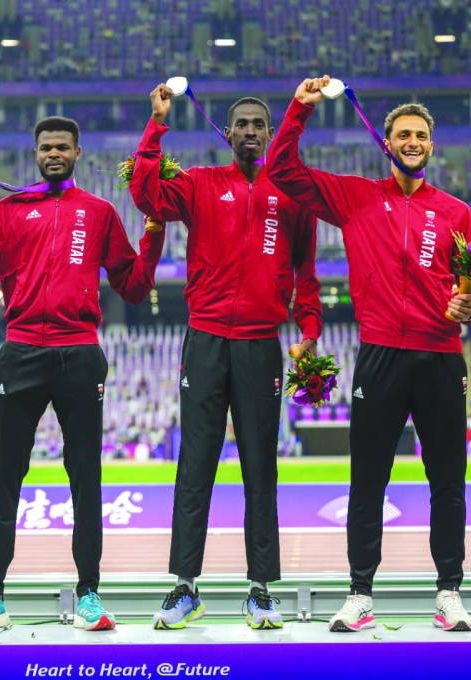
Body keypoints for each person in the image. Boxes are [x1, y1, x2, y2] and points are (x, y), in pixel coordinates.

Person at [267, 76, 471, 632]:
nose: (412, 141)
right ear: (386, 143)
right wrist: (299, 108)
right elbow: (282, 171)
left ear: (430, 146)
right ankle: (360, 593)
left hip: (440, 358)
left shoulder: (457, 213)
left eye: (420, 135)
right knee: (368, 479)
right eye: (402, 134)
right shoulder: (356, 197)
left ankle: (449, 592)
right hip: (381, 357)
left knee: (449, 482)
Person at [0, 116, 165, 632]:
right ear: (36, 153)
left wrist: (154, 232)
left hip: (80, 353)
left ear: (77, 152)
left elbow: (131, 285)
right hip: (20, 353)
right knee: (6, 476)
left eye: (62, 145)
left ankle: (89, 594)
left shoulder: (99, 213)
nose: (53, 152)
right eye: (46, 146)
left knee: (86, 475)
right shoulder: (8, 210)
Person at [129, 87, 322, 630]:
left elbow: (306, 270)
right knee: (195, 466)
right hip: (207, 339)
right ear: (228, 132)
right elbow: (147, 197)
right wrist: (157, 124)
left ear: (269, 132)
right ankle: (184, 586)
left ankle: (260, 590)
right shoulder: (198, 183)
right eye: (242, 124)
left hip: (262, 344)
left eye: (260, 124)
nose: (252, 132)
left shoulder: (292, 193)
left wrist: (309, 326)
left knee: (262, 468)